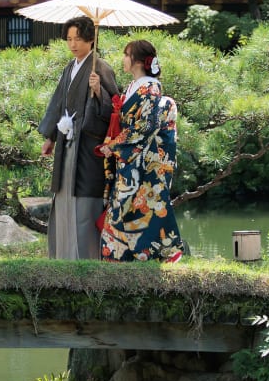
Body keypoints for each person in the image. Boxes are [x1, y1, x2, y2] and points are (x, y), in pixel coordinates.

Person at [38, 15, 118, 259]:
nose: (73, 44)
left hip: (87, 147)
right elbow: (58, 104)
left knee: (84, 201)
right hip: (66, 141)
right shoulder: (69, 69)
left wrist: (98, 91)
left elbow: (115, 109)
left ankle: (86, 257)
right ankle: (63, 254)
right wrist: (51, 137)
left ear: (90, 40)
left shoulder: (100, 68)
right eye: (69, 39)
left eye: (78, 39)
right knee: (63, 195)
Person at [98, 39, 184, 263]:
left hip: (142, 159)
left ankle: (127, 255)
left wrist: (115, 145)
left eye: (126, 55)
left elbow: (145, 126)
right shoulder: (133, 86)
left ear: (136, 60)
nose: (123, 60)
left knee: (131, 206)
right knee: (127, 206)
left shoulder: (150, 87)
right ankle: (128, 255)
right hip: (130, 158)